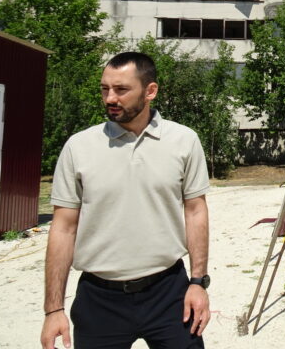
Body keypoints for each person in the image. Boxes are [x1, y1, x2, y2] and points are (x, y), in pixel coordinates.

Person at [40, 52, 211, 349]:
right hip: (99, 300)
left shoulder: (184, 141)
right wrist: (53, 309)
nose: (110, 98)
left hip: (169, 293)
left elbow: (196, 212)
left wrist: (198, 283)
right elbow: (63, 228)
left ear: (150, 91)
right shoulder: (79, 147)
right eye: (105, 89)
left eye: (121, 90)